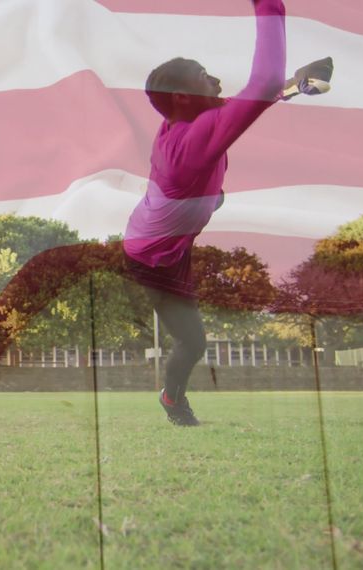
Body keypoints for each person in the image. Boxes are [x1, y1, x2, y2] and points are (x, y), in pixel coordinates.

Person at [123, 0, 287, 426]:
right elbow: (264, 83)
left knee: (213, 198)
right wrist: (269, 5)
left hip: (170, 238)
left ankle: (207, 201)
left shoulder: (188, 122)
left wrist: (293, 86)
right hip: (153, 258)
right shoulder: (192, 143)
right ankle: (172, 400)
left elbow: (258, 97)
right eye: (204, 76)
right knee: (193, 343)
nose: (215, 81)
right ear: (182, 96)